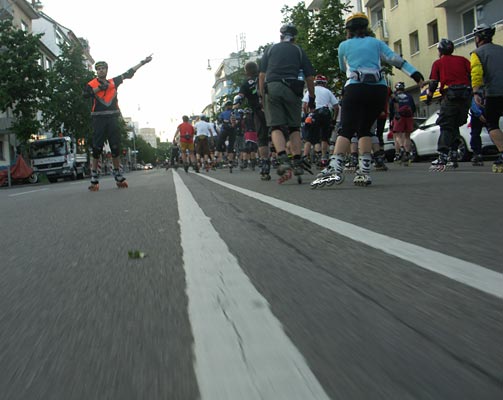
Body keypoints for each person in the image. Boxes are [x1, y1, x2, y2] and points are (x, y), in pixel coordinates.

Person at [311, 13, 423, 188]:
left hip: (355, 88)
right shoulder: (377, 43)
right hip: (378, 90)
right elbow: (396, 60)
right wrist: (418, 77)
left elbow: (343, 68)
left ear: (348, 30)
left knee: (346, 129)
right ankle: (364, 172)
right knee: (365, 130)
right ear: (366, 28)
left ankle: (335, 169)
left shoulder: (344, 45)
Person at [258, 23, 316, 183]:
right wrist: (312, 97)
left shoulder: (270, 50)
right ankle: (297, 160)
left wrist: (262, 96)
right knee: (294, 127)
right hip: (292, 88)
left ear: (281, 36)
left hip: (273, 87)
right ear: (294, 38)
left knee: (275, 126)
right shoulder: (298, 50)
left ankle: (283, 158)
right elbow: (310, 77)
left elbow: (262, 76)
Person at [83, 55, 152, 191]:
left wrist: (142, 62)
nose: (101, 71)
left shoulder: (113, 82)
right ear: (96, 71)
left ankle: (118, 174)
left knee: (115, 148)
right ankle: (94, 177)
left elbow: (128, 73)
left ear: (107, 70)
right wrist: (99, 88)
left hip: (113, 118)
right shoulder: (92, 84)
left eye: (103, 68)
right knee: (97, 148)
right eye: (99, 69)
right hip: (99, 118)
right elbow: (85, 94)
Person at [426, 38, 471, 171]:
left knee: (446, 125)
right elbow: (471, 75)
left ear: (440, 51)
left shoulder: (438, 63)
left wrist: (429, 96)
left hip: (450, 95)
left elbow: (434, 82)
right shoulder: (463, 60)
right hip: (465, 96)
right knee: (455, 124)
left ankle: (442, 155)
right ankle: (453, 154)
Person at [471, 23, 503, 173]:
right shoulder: (501, 50)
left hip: (494, 93)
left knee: (492, 123)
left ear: (479, 38)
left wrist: (476, 92)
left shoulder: (477, 53)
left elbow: (476, 73)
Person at [233, 61, 270, 180]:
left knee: (262, 138)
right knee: (279, 132)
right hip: (273, 109)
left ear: (246, 72)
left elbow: (239, 97)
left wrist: (235, 107)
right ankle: (290, 158)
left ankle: (265, 165)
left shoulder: (246, 83)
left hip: (258, 112)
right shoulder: (265, 77)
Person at [301, 74, 339, 168]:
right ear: (325, 83)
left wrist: (306, 115)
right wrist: (334, 119)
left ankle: (305, 157)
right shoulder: (328, 91)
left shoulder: (310, 90)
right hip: (325, 113)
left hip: (314, 114)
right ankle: (323, 158)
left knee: (309, 137)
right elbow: (336, 107)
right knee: (324, 138)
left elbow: (305, 105)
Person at [390, 81, 416, 166]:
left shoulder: (395, 96)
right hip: (408, 116)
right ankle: (407, 152)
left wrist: (391, 119)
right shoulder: (409, 96)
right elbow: (413, 107)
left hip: (398, 116)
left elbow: (391, 108)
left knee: (398, 135)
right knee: (407, 136)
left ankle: (401, 148)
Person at [215, 101, 237, 172]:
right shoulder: (235, 112)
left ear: (226, 106)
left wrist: (224, 121)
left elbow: (219, 120)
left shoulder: (223, 113)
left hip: (224, 130)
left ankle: (215, 159)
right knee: (231, 146)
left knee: (219, 144)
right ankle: (230, 162)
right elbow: (238, 119)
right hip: (233, 130)